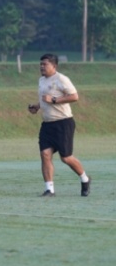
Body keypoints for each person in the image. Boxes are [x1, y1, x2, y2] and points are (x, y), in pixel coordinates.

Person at [28, 53, 90, 197]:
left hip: (63, 123)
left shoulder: (61, 79)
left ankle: (85, 179)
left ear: (54, 66)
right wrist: (37, 107)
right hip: (47, 124)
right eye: (41, 64)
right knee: (45, 154)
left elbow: (74, 96)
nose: (42, 67)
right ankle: (50, 189)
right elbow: (45, 100)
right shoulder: (41, 80)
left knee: (66, 157)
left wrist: (54, 100)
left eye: (45, 64)